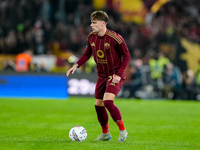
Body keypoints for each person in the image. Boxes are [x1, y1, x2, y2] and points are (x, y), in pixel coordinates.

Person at [66, 10, 130, 142]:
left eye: (94, 23)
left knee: (107, 102)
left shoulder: (115, 38)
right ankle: (106, 133)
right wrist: (76, 65)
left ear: (102, 23)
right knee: (98, 105)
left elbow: (127, 56)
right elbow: (87, 54)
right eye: (91, 22)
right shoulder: (91, 37)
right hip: (101, 75)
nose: (91, 25)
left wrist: (118, 75)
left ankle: (123, 131)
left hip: (114, 75)